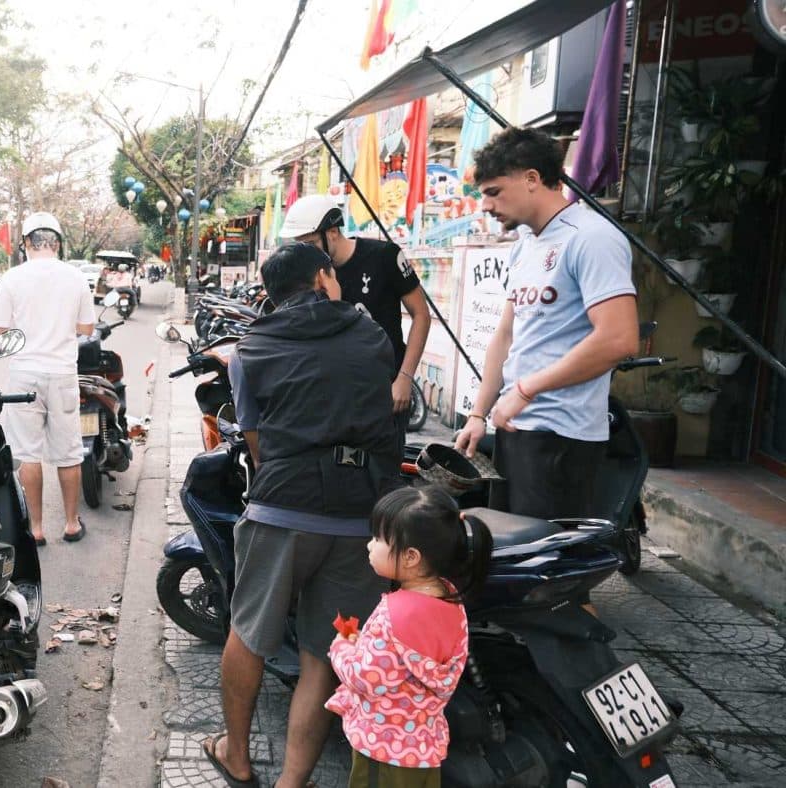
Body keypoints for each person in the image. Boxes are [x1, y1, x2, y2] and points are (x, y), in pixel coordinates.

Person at [205, 242, 398, 788]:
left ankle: (236, 757)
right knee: (323, 653)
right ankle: (292, 781)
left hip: (284, 506)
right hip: (361, 514)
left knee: (248, 633)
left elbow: (258, 445)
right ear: (321, 279)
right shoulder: (370, 335)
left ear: (270, 293)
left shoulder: (249, 350)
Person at [453, 126, 638, 520]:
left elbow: (619, 339)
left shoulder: (590, 237)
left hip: (562, 436)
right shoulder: (525, 246)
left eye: (493, 192)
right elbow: (506, 336)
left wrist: (526, 389)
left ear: (532, 179)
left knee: (548, 567)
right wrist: (477, 414)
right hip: (516, 427)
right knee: (511, 557)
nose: (485, 206)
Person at [327, 487, 492, 788]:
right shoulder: (450, 598)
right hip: (423, 743)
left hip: (384, 748)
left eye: (378, 539)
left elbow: (365, 677)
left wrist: (343, 645)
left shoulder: (394, 614)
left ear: (411, 557)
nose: (369, 545)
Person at [279, 194, 432, 444]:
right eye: (300, 245)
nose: (305, 253)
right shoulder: (310, 274)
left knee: (384, 472)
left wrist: (405, 378)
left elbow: (421, 315)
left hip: (386, 389)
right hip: (335, 394)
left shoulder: (385, 256)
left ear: (331, 233)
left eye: (310, 243)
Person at [0, 212, 95, 543]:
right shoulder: (75, 277)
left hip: (24, 374)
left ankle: (35, 528)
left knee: (28, 452)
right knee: (69, 452)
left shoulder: (12, 277)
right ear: (57, 243)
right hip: (63, 372)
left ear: (25, 244)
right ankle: (71, 524)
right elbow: (88, 328)